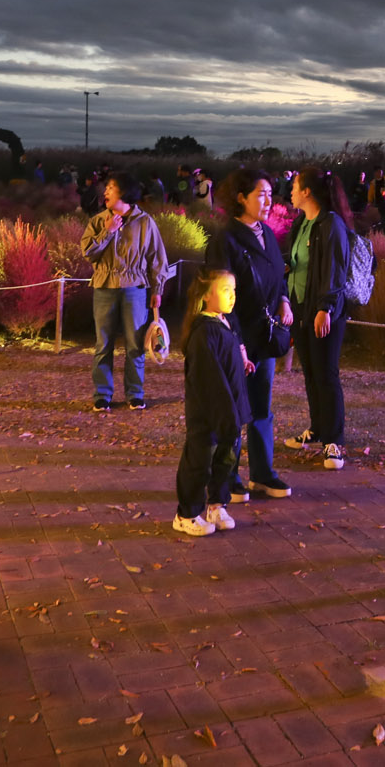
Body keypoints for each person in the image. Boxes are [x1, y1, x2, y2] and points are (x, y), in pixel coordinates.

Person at [204, 167, 294, 500]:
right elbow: (220, 297)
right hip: (233, 338)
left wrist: (284, 299)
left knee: (260, 407)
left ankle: (262, 473)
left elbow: (277, 274)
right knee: (231, 411)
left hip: (264, 336)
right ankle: (226, 476)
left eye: (271, 194)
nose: (268, 201)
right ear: (241, 197)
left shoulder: (267, 234)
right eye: (261, 194)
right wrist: (237, 343)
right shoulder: (225, 239)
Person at [282, 167, 355, 470]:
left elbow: (335, 272)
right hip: (301, 309)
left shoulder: (331, 224)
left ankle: (334, 441)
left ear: (307, 192)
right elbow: (298, 262)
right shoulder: (302, 223)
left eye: (295, 186)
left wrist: (325, 307)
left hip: (324, 312)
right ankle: (317, 429)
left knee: (326, 373)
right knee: (311, 372)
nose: (291, 191)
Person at [173, 268, 253, 537]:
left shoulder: (224, 325)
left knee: (225, 462)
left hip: (229, 414)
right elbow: (210, 379)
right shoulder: (203, 333)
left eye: (234, 290)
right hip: (209, 416)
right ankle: (186, 514)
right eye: (225, 290)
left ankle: (217, 505)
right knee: (200, 462)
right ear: (207, 296)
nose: (232, 296)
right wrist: (224, 413)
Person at [81, 175, 169, 411]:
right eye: (106, 188)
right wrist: (108, 232)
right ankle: (102, 394)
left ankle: (135, 393)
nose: (105, 192)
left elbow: (157, 258)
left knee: (135, 344)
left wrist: (157, 289)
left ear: (125, 193)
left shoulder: (145, 222)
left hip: (135, 289)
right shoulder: (99, 221)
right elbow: (88, 253)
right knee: (103, 344)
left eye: (111, 188)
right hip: (104, 287)